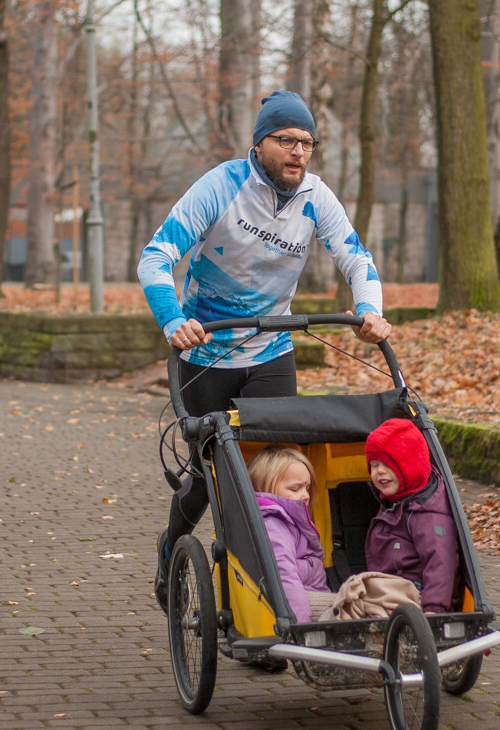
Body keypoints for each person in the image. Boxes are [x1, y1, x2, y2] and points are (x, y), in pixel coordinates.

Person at [138, 89, 392, 610]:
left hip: (270, 352)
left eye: (307, 143)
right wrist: (174, 320)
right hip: (205, 354)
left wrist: (369, 309)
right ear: (260, 143)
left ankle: (262, 597)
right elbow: (155, 258)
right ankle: (171, 549)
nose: (298, 151)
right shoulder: (222, 185)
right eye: (286, 140)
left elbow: (356, 257)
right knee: (214, 479)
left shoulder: (316, 197)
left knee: (277, 473)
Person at [363, 418, 460, 614]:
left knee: (353, 598)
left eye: (388, 465)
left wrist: (434, 609)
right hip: (393, 590)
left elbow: (441, 562)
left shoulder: (428, 515)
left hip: (416, 597)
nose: (379, 471)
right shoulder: (397, 501)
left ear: (409, 465)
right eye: (374, 465)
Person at [247, 445, 335, 624]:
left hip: (308, 594)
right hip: (299, 605)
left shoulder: (290, 520)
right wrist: (300, 625)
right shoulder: (274, 523)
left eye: (307, 488)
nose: (306, 495)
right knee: (361, 603)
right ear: (266, 489)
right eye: (295, 489)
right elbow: (283, 574)